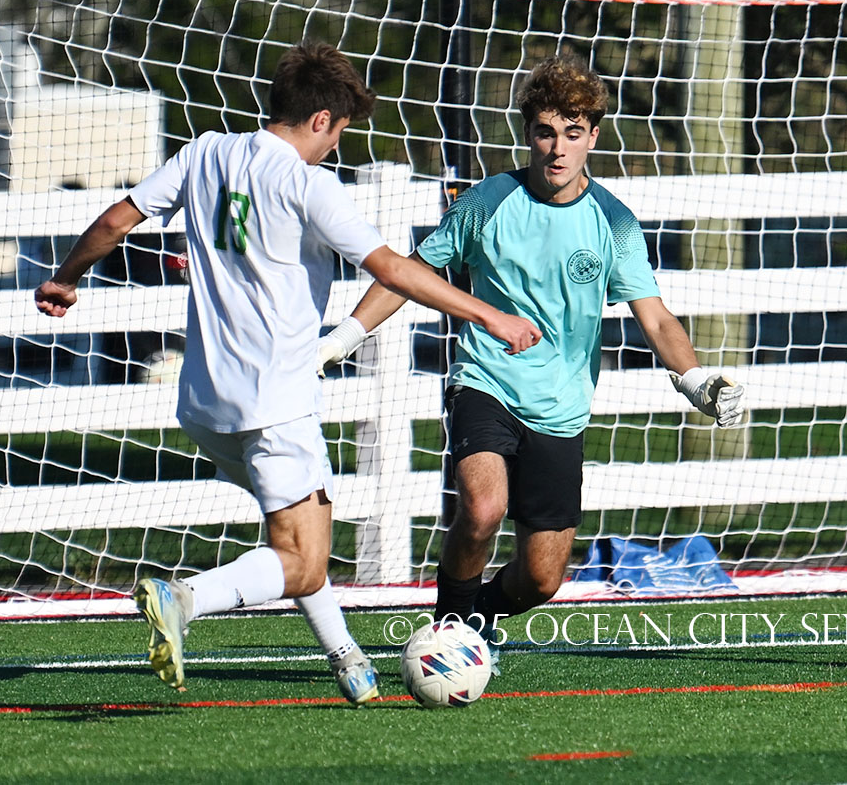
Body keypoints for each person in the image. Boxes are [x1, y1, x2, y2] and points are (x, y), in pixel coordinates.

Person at [34, 41, 542, 703]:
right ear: (322, 119)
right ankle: (184, 598)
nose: (336, 147)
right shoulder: (308, 184)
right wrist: (491, 316)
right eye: (340, 132)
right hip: (275, 400)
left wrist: (66, 278)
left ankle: (349, 660)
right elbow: (393, 269)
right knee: (301, 559)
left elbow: (115, 220)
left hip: (204, 402)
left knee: (297, 535)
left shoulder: (205, 152)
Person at [316, 53, 745, 663]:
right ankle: (448, 629)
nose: (558, 148)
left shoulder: (614, 222)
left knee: (542, 579)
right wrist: (340, 339)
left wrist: (695, 377)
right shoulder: (487, 202)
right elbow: (410, 273)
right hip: (485, 382)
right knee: (482, 508)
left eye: (573, 132)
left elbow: (655, 316)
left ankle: (477, 618)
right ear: (528, 134)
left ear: (594, 136)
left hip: (562, 409)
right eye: (545, 132)